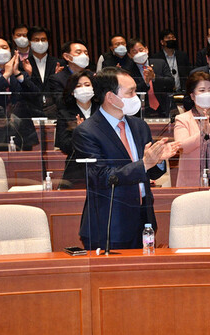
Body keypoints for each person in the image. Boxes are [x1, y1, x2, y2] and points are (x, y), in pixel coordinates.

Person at [72, 67, 178, 250]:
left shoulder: (139, 126)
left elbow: (148, 171)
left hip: (144, 220)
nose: (135, 96)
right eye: (130, 92)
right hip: (109, 223)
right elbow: (101, 176)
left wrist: (158, 160)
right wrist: (144, 163)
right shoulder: (87, 132)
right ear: (111, 97)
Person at [55, 70, 98, 188]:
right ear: (73, 92)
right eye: (78, 86)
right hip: (77, 169)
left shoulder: (103, 110)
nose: (84, 88)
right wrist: (78, 133)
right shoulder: (65, 114)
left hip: (102, 165)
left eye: (87, 85)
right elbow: (64, 145)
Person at [125, 39, 174, 117]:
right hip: (140, 110)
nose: (139, 53)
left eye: (141, 50)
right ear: (129, 55)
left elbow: (171, 83)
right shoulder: (128, 70)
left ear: (146, 49)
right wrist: (146, 83)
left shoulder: (160, 63)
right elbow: (129, 91)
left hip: (164, 107)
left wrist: (154, 77)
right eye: (134, 52)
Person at [44, 40, 92, 118]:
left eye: (86, 53)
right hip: (69, 119)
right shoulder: (57, 79)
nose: (84, 56)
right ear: (67, 56)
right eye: (78, 52)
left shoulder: (93, 76)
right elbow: (60, 102)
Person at [151, 29, 191, 93]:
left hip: (182, 91)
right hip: (164, 92)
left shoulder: (182, 56)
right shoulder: (156, 58)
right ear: (162, 42)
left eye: (173, 37)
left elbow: (188, 72)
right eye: (168, 38)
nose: (171, 40)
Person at [24, 26, 61, 93]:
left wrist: (56, 77)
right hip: (31, 102)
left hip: (53, 102)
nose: (40, 43)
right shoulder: (24, 64)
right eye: (36, 40)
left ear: (48, 42)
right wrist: (29, 75)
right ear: (29, 42)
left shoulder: (58, 63)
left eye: (43, 39)